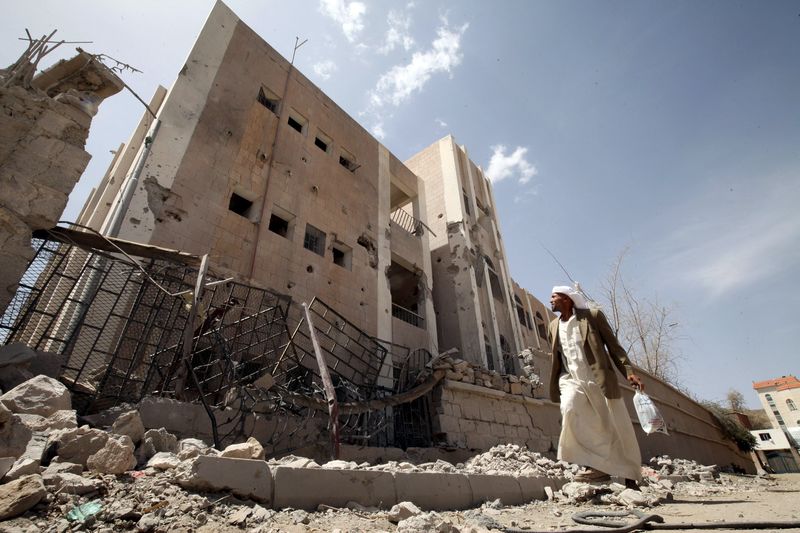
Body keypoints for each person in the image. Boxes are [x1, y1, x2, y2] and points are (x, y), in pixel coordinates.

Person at [548, 285, 643, 487]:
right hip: (570, 379)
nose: (550, 300)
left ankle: (630, 474)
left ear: (567, 299)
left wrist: (629, 372)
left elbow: (614, 347)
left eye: (554, 296)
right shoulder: (553, 326)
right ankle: (594, 466)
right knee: (570, 408)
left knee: (616, 426)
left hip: (597, 379)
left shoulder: (592, 316)